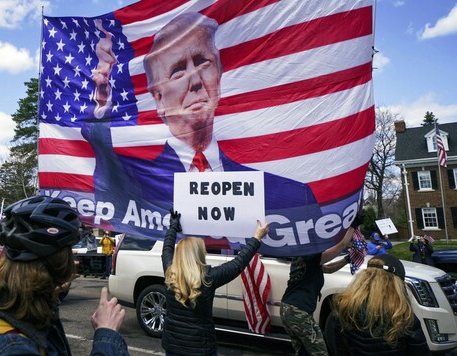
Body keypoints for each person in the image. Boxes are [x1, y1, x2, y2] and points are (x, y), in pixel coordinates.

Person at [86, 12, 325, 255]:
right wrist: (101, 110)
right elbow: (106, 174)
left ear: (219, 77)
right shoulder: (134, 186)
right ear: (158, 98)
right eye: (178, 71)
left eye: (203, 62)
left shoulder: (293, 197)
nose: (196, 81)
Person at [0, 196, 129, 355]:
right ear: (57, 261)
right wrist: (107, 335)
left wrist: (48, 291)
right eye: (68, 251)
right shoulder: (13, 349)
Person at [160, 209, 269, 355]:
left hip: (173, 347)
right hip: (201, 349)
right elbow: (238, 263)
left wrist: (173, 226)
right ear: (199, 255)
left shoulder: (170, 272)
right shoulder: (209, 278)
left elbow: (166, 248)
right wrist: (257, 238)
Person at [279, 213, 362, 356]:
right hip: (299, 311)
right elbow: (341, 245)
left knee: (304, 351)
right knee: (320, 352)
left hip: (288, 309)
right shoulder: (308, 255)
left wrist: (348, 259)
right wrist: (352, 226)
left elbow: (328, 269)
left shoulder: (305, 259)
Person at [325, 254, 430, 355]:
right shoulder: (404, 317)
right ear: (396, 284)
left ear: (363, 279)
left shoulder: (342, 311)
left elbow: (338, 349)